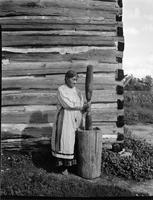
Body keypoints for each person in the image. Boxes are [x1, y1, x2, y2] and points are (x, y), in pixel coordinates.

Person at [51, 70, 88, 175]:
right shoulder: (61, 90)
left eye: (76, 80)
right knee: (65, 141)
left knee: (74, 141)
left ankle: (73, 167)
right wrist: (81, 106)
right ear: (67, 78)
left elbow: (81, 104)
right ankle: (62, 167)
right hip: (65, 118)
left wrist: (85, 108)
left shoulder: (78, 92)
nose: (75, 82)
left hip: (76, 118)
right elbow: (67, 104)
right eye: (73, 79)